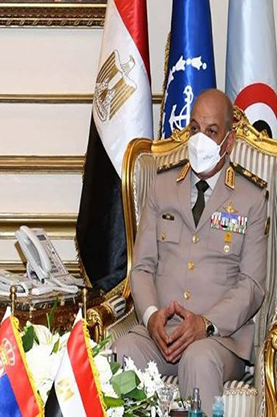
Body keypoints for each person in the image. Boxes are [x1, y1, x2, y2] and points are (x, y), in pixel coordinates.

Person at [113, 89, 268, 414]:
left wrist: (206, 324)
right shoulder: (162, 186)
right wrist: (151, 316)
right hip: (160, 336)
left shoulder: (250, 198)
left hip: (218, 341)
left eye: (211, 131)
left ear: (229, 140)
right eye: (195, 129)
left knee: (198, 359)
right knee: (123, 351)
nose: (200, 140)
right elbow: (142, 268)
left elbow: (252, 285)